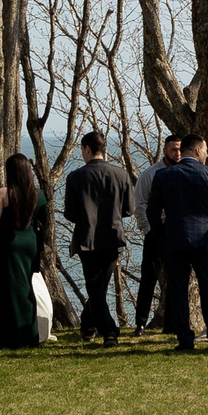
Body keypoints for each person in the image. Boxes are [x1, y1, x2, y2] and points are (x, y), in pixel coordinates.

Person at [148, 134, 208, 352]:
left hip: (174, 240)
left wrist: (162, 236)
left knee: (177, 290)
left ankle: (185, 339)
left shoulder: (163, 176)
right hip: (205, 239)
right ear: (196, 151)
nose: (206, 155)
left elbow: (152, 211)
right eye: (205, 151)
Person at [63, 131, 134, 346]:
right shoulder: (121, 175)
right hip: (112, 237)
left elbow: (70, 214)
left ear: (86, 148)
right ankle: (88, 326)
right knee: (98, 288)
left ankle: (109, 331)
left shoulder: (75, 177)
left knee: (95, 288)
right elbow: (129, 209)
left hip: (88, 239)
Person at [0, 153, 49, 350]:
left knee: (5, 290)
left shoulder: (2, 194)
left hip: (8, 243)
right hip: (29, 242)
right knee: (25, 287)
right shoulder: (38, 194)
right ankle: (29, 334)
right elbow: (43, 221)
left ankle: (7, 337)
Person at [132, 134, 182, 332]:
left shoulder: (184, 172)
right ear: (165, 151)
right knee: (148, 279)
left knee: (175, 278)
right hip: (155, 232)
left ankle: (171, 323)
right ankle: (140, 323)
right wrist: (149, 230)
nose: (177, 154)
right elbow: (140, 204)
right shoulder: (150, 175)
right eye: (173, 150)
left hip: (177, 232)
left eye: (179, 150)